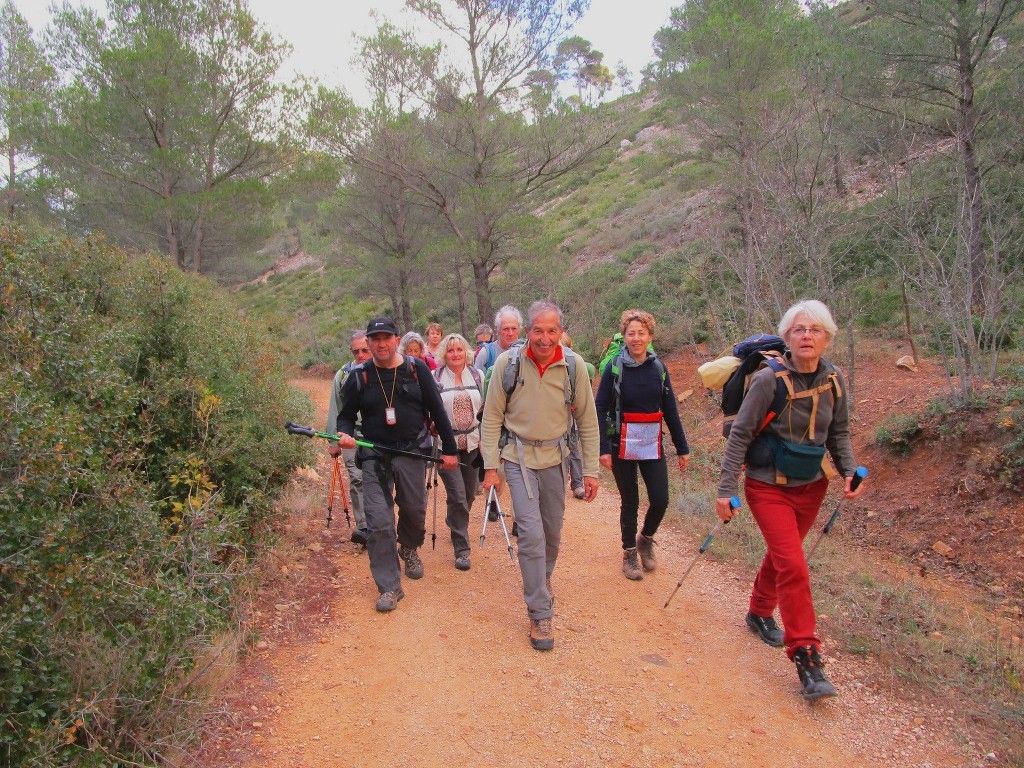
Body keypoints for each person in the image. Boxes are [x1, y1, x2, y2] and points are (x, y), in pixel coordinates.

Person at [715, 299, 865, 700]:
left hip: (812, 484)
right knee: (794, 564)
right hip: (767, 485)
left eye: (815, 330)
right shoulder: (769, 380)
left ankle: (760, 611)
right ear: (786, 336)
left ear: (827, 337)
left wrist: (849, 470)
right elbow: (741, 435)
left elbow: (840, 433)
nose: (807, 336)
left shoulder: (834, 379)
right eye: (799, 329)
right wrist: (726, 488)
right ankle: (807, 656)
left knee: (787, 556)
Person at [480, 301, 600, 651]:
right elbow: (491, 419)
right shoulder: (508, 364)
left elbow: (588, 421)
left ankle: (540, 581)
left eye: (552, 331)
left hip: (556, 457)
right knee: (531, 534)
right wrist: (491, 467)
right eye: (538, 330)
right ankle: (539, 610)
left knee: (552, 532)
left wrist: (589, 470)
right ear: (527, 332)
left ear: (561, 332)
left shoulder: (574, 367)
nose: (545, 338)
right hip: (517, 457)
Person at [336, 317, 459, 612]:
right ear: (368, 341)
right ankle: (389, 586)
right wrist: (344, 435)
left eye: (386, 338)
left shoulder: (416, 371)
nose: (380, 344)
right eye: (375, 339)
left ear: (397, 339)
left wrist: (450, 450)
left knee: (415, 510)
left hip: (412, 452)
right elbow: (346, 416)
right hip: (374, 455)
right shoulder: (359, 376)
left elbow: (438, 412)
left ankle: (409, 546)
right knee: (379, 523)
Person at [595, 310, 690, 580]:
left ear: (650, 336)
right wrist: (603, 448)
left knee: (660, 499)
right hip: (620, 442)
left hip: (650, 442)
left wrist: (682, 448)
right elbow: (600, 407)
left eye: (641, 333)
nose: (636, 338)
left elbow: (670, 409)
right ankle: (629, 553)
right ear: (624, 336)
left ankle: (645, 538)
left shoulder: (658, 368)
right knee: (631, 501)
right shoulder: (616, 366)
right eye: (631, 333)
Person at [432, 333, 484, 571]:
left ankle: (455, 520)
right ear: (444, 353)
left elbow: (485, 409)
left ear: (466, 353)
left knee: (470, 494)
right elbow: (428, 408)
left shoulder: (477, 375)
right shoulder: (436, 378)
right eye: (451, 350)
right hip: (446, 447)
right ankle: (462, 549)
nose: (455, 354)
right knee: (458, 496)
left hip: (473, 443)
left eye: (459, 350)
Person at [325, 330, 373, 545]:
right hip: (351, 434)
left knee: (378, 480)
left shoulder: (382, 371)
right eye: (357, 351)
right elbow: (335, 407)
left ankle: (379, 523)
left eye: (365, 350)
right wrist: (333, 441)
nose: (361, 355)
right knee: (357, 478)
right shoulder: (343, 375)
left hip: (376, 435)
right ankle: (363, 527)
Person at [559, 331, 596, 500]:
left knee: (573, 448)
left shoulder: (578, 366)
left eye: (565, 347)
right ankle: (563, 483)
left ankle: (577, 483)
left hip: (572, 417)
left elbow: (584, 394)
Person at [474, 305, 523, 372]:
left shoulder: (526, 352)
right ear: (497, 330)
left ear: (519, 330)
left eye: (514, 328)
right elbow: (477, 380)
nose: (510, 333)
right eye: (505, 329)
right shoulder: (486, 353)